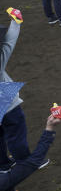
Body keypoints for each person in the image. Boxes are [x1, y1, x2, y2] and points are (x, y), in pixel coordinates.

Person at [0, 16, 30, 170]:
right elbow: (9, 42)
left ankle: (3, 165)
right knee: (15, 131)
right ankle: (25, 162)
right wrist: (16, 22)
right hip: (3, 98)